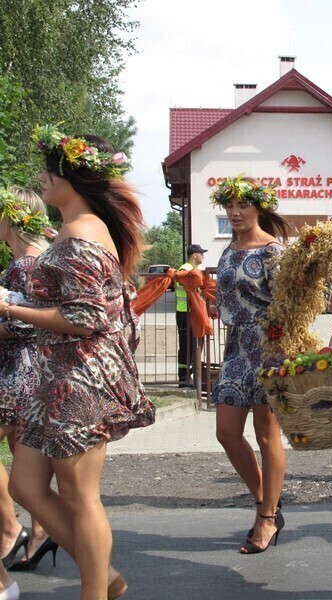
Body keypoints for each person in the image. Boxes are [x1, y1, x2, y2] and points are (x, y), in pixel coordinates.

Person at [4, 124, 155, 599]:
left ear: (70, 178)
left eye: (48, 170)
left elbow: (84, 319)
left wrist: (8, 308)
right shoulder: (74, 230)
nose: (41, 178)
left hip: (80, 377)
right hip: (54, 376)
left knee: (80, 495)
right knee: (25, 485)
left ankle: (96, 591)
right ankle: (105, 577)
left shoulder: (81, 232)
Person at [209, 175, 290, 555]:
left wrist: (282, 350)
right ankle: (263, 499)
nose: (235, 212)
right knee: (226, 432)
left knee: (266, 435)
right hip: (236, 347)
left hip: (269, 346)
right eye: (229, 206)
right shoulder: (228, 249)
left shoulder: (273, 251)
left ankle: (268, 517)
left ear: (259, 207)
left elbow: (290, 304)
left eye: (242, 205)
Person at [0, 186, 55, 575]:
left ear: (12, 219)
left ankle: (9, 528)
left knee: (25, 459)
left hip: (18, 370)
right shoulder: (31, 261)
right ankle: (39, 532)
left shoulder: (25, 265)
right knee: (24, 458)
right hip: (32, 370)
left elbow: (24, 324)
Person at [175, 243, 207, 387]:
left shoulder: (194, 270)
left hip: (191, 312)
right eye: (201, 254)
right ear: (195, 255)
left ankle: (190, 375)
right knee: (186, 346)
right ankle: (184, 378)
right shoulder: (185, 269)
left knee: (194, 345)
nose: (203, 256)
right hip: (184, 312)